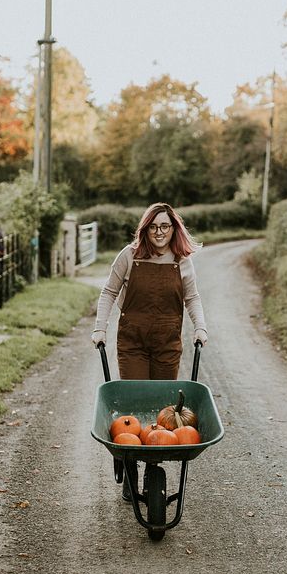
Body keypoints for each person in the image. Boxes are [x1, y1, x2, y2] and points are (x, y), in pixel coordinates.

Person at [91, 203, 208, 499]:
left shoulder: (182, 261)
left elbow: (192, 298)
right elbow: (109, 292)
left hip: (167, 344)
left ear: (173, 229)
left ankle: (151, 469)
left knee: (162, 413)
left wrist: (200, 327)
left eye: (165, 227)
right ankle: (131, 469)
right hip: (133, 343)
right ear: (146, 229)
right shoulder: (129, 256)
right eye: (154, 227)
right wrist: (100, 328)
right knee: (132, 407)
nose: (159, 232)